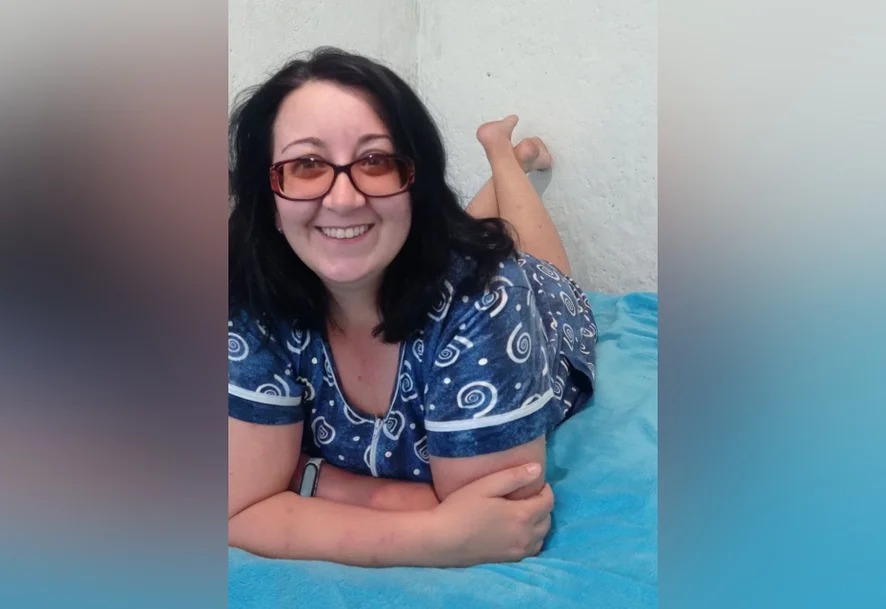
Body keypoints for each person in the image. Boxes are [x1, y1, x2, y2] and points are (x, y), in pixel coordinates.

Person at [227, 47, 597, 568]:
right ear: (268, 197)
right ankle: (503, 160)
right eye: (306, 165)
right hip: (431, 253)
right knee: (458, 237)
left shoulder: (491, 295)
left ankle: (502, 154)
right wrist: (434, 536)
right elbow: (239, 509)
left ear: (414, 183)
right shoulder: (250, 294)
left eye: (375, 161)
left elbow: (502, 516)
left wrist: (305, 478)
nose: (343, 199)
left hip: (542, 300)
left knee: (527, 261)